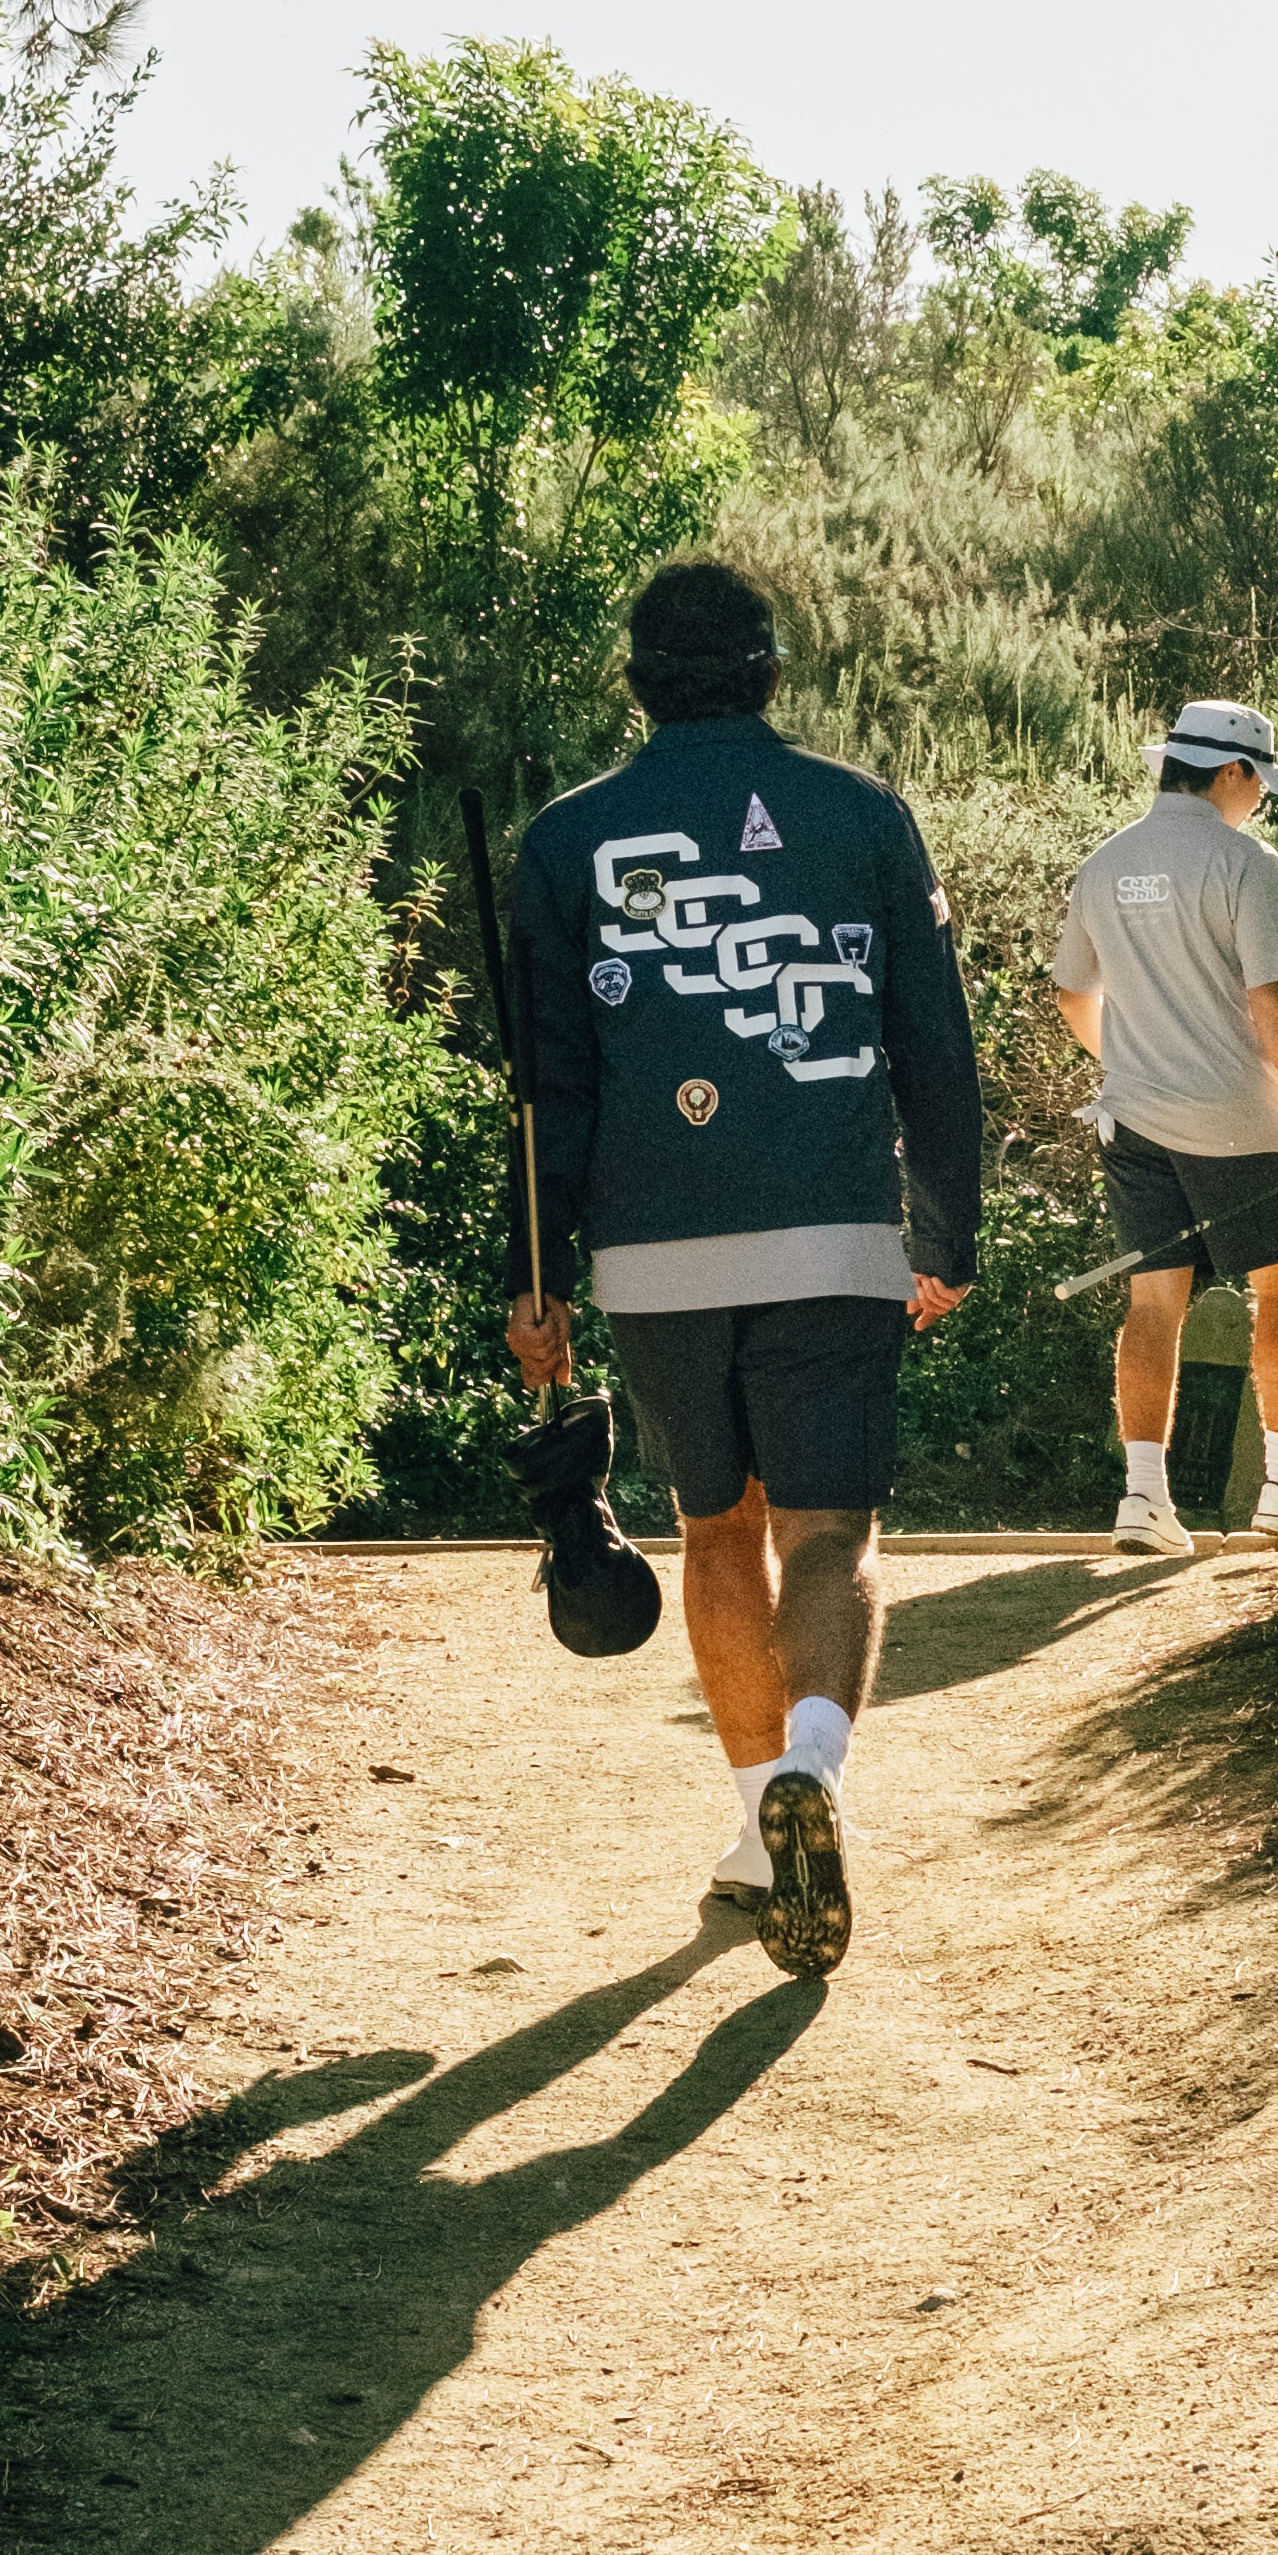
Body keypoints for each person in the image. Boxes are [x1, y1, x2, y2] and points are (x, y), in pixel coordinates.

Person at [501, 561, 986, 1974]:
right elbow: (932, 1044)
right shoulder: (863, 814)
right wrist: (943, 1225)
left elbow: (545, 1091)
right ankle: (813, 1780)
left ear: (638, 683)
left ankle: (746, 1817)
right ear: (773, 674)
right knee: (829, 1531)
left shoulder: (564, 840)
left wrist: (531, 1277)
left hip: (649, 1250)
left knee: (716, 1527)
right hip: (835, 1226)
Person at [1052, 696, 1278, 1556]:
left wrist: (1128, 1059)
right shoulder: (1246, 862)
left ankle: (1143, 1502)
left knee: (1153, 1300)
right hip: (1237, 1121)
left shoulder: (1105, 863)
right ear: (1231, 773)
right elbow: (1274, 997)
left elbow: (1072, 993)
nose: (1262, 798)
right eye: (1259, 781)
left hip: (1134, 1117)